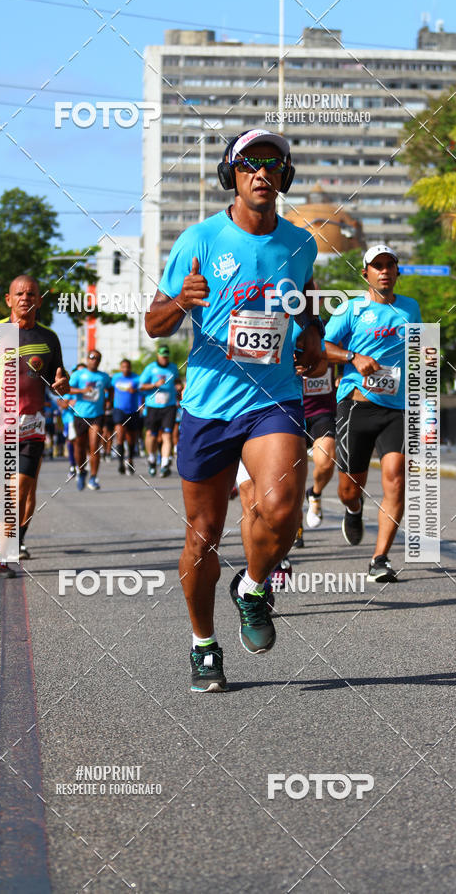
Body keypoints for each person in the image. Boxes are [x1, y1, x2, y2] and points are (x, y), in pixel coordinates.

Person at [144, 128, 323, 692]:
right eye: (249, 164)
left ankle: (253, 586)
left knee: (282, 508)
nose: (261, 173)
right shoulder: (199, 240)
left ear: (285, 177)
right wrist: (181, 300)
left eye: (273, 165)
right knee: (203, 536)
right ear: (232, 175)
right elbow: (153, 325)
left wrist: (313, 335)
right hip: (210, 403)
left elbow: (306, 301)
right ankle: (203, 644)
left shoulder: (301, 243)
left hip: (274, 398)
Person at [323, 245, 422, 583]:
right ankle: (353, 509)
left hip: (397, 407)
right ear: (365, 273)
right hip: (356, 406)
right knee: (350, 489)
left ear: (397, 272)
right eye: (377, 266)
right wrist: (353, 357)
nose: (384, 271)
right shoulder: (351, 309)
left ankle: (380, 559)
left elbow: (419, 353)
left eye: (389, 265)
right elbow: (321, 346)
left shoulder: (411, 308)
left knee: (396, 477)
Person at [0, 274, 69, 576]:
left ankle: (1, 554)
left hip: (29, 426)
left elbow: (58, 377)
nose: (26, 298)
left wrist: (63, 384)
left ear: (39, 300)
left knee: (18, 491)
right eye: (19, 294)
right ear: (8, 300)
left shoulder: (48, 338)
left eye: (31, 293)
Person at [68, 350, 111, 491]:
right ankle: (81, 471)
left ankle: (93, 477)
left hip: (97, 416)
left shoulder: (104, 377)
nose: (94, 360)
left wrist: (109, 401)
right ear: (87, 359)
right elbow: (67, 389)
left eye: (97, 358)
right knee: (79, 446)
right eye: (92, 357)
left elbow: (110, 388)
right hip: (80, 415)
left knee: (94, 446)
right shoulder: (78, 375)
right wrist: (82, 391)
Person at [302, 360, 337, 532]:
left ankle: (315, 493)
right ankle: (295, 529)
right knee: (291, 475)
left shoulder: (330, 343)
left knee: (326, 462)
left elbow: (346, 354)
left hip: (322, 411)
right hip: (289, 411)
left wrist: (341, 373)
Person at [138, 345, 180, 478]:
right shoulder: (150, 368)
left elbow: (177, 381)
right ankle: (151, 458)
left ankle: (164, 464)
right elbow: (140, 386)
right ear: (158, 355)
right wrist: (154, 385)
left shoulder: (173, 368)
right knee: (151, 435)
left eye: (166, 356)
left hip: (169, 406)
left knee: (167, 435)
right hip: (152, 406)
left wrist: (178, 386)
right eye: (162, 356)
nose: (164, 359)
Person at [110, 358, 141, 474]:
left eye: (128, 367)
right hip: (119, 410)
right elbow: (110, 389)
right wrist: (108, 402)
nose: (126, 369)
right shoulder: (115, 378)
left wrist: (136, 390)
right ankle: (120, 462)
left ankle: (130, 460)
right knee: (120, 436)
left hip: (133, 411)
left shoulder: (136, 378)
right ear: (120, 368)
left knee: (131, 438)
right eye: (123, 367)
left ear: (130, 368)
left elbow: (142, 389)